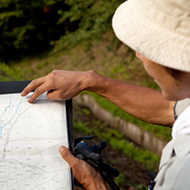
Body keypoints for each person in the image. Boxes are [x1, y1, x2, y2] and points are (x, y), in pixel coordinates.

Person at [21, 0, 190, 189]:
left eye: (145, 49)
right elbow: (171, 110)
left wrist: (93, 182)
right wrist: (88, 81)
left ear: (173, 62)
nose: (138, 55)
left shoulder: (183, 172)